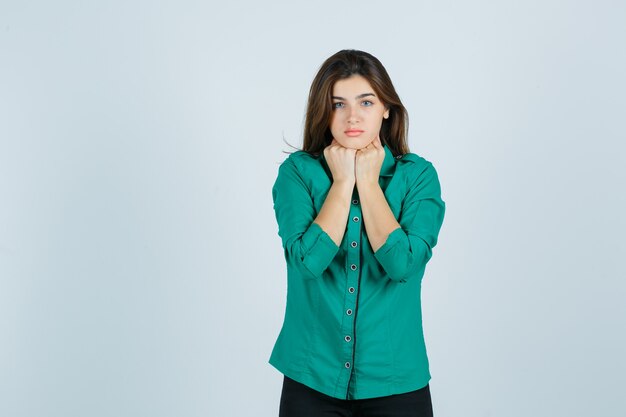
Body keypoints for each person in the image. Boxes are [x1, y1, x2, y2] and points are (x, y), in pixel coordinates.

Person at [270, 49, 446, 417]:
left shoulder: (418, 177)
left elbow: (402, 265)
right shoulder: (298, 174)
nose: (353, 116)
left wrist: (367, 182)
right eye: (338, 104)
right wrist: (343, 180)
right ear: (324, 112)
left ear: (386, 108)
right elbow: (307, 262)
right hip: (311, 379)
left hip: (397, 382)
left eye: (366, 101)